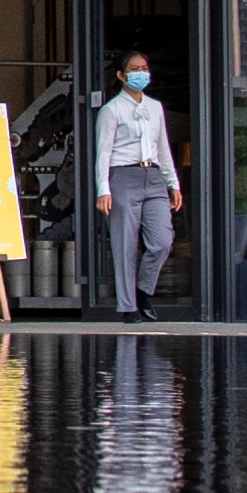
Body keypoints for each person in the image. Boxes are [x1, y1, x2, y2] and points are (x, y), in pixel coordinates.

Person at [93, 53, 181, 317]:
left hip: (153, 177)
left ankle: (143, 289)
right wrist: (103, 189)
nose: (140, 73)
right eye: (134, 69)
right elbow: (103, 153)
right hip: (123, 177)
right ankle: (128, 307)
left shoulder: (155, 107)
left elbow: (163, 147)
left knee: (162, 241)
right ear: (121, 75)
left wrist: (172, 182)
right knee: (125, 246)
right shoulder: (111, 110)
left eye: (144, 68)